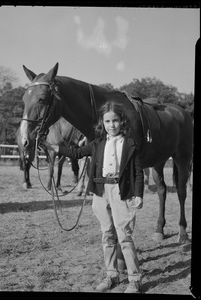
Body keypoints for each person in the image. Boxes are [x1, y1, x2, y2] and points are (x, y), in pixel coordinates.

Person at [40, 101, 144, 293]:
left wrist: (138, 194)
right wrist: (53, 147)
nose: (111, 125)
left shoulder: (131, 144)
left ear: (122, 122)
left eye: (115, 121)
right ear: (102, 123)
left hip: (122, 192)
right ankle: (112, 275)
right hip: (100, 191)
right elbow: (76, 152)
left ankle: (134, 279)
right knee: (107, 235)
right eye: (107, 121)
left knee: (124, 236)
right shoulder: (97, 144)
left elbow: (138, 172)